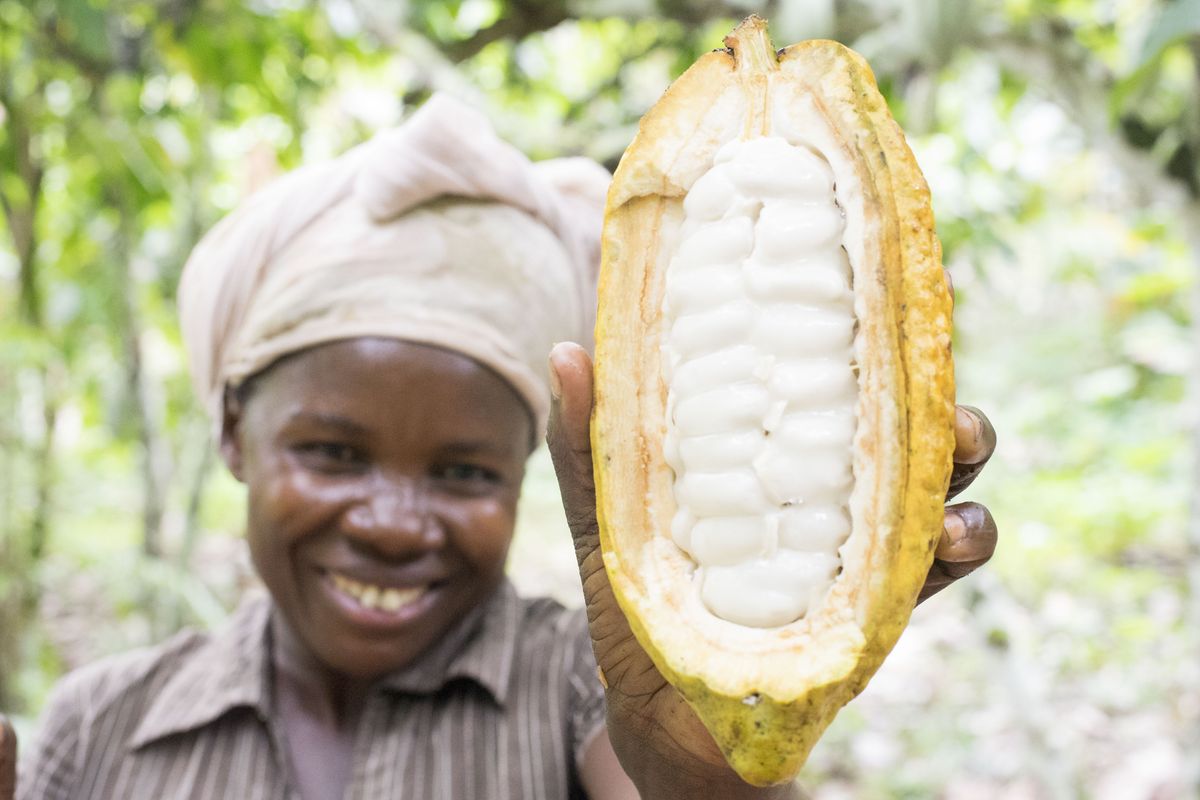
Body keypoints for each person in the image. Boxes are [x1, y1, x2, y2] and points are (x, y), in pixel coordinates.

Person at [6, 95, 998, 800]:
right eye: (333, 453)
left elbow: (666, 772)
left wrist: (703, 768)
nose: (394, 523)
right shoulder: (101, 723)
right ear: (231, 432)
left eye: (464, 470)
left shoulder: (584, 688)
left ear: (531, 465)